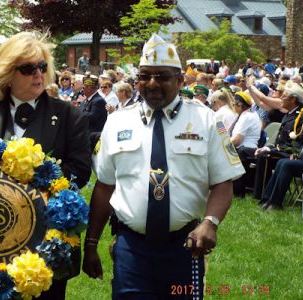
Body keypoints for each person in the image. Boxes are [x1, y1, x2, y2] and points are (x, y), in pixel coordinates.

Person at [82, 33, 245, 300]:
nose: (152, 83)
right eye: (145, 76)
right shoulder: (117, 122)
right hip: (131, 248)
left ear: (180, 81)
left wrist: (210, 223)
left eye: (162, 76)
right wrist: (91, 244)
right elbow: (104, 187)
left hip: (185, 246)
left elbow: (223, 182)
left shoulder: (206, 120)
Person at [0, 31, 92, 300]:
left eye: (42, 66)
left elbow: (80, 172)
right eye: (28, 68)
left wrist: (34, 174)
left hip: (44, 241)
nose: (38, 74)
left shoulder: (69, 115)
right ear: (7, 73)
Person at [80, 75, 107, 150]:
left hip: (93, 138)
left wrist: (77, 113)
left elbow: (92, 117)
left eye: (83, 88)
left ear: (89, 89)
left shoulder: (98, 101)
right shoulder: (86, 100)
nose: (82, 90)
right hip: (85, 135)